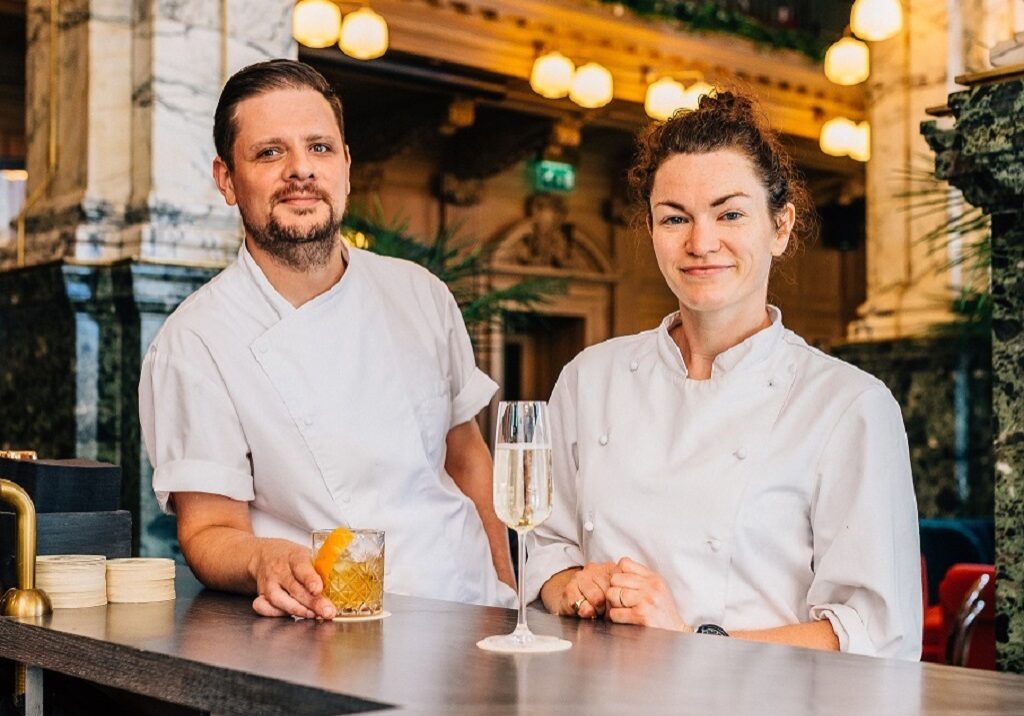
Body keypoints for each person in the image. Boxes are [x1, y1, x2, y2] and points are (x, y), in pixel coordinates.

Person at [525, 91, 922, 659]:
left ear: (780, 227)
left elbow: (874, 637)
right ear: (652, 230)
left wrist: (690, 641)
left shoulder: (849, 405)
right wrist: (570, 586)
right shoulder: (590, 378)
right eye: (674, 218)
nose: (700, 243)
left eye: (730, 213)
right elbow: (546, 543)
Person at [139, 59, 515, 620]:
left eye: (319, 148)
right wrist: (263, 560)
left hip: (472, 604)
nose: (300, 170)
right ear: (225, 179)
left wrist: (511, 594)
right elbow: (210, 527)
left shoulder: (421, 293)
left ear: (345, 166)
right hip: (340, 627)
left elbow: (467, 459)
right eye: (270, 152)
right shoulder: (195, 340)